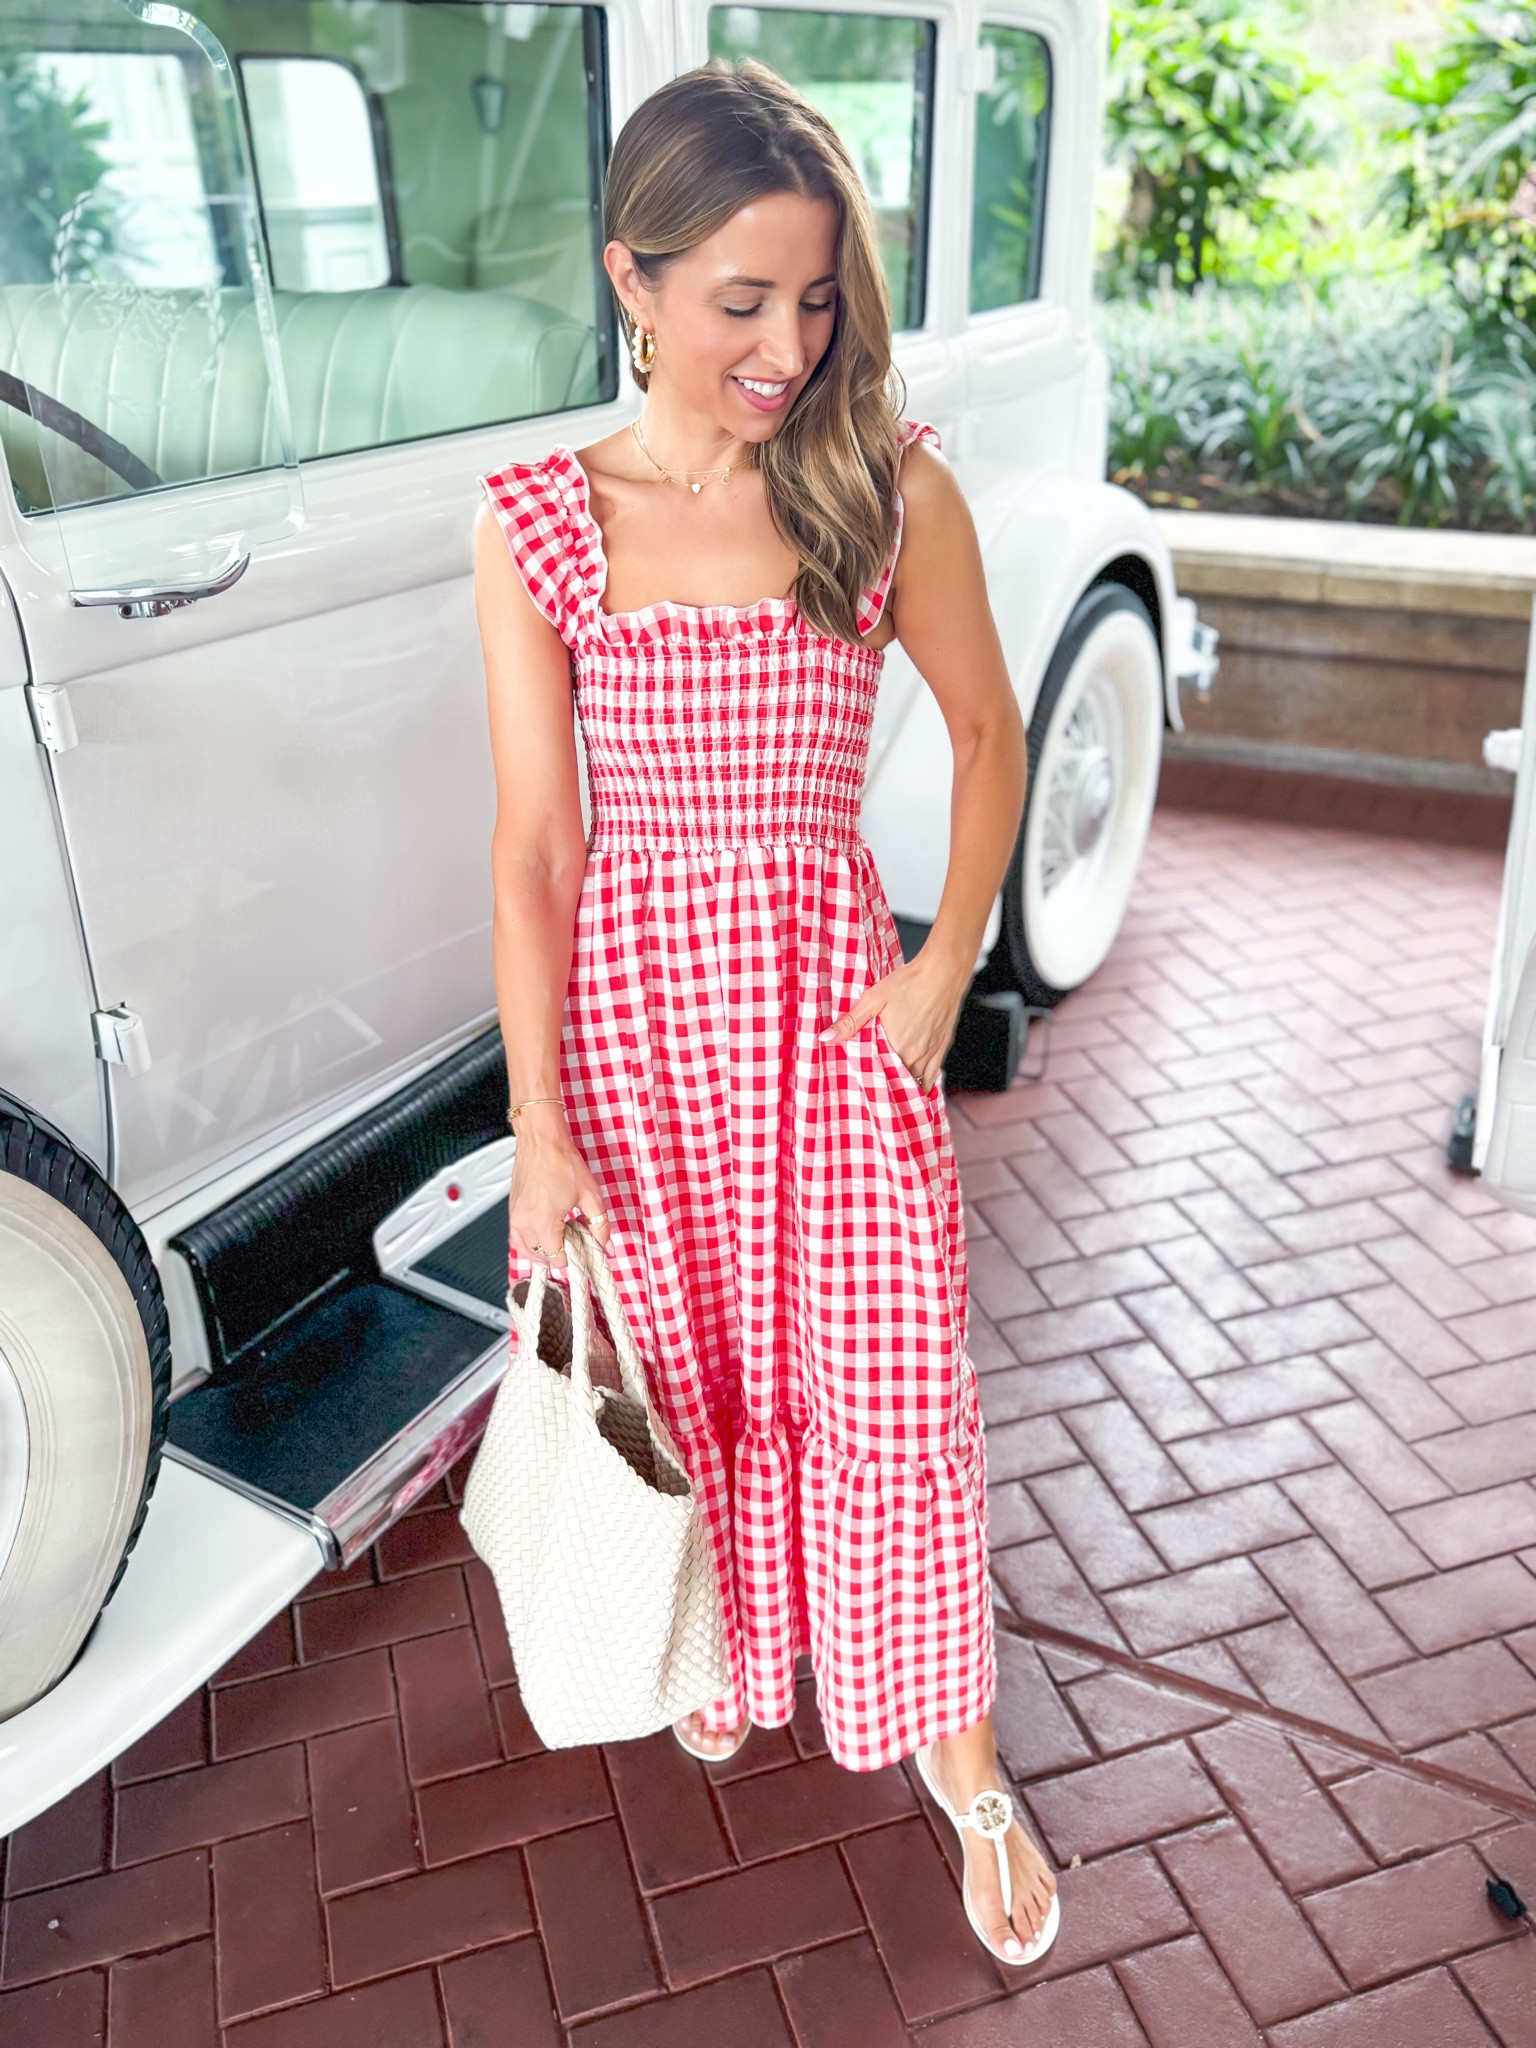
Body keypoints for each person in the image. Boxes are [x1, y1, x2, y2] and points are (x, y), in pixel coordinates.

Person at [472, 59, 1056, 1967]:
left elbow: (988, 735)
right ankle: (737, 1635)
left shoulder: (885, 481)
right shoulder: (542, 524)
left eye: (817, 299)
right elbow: (540, 851)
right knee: (706, 1383)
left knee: (889, 1392)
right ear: (633, 283)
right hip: (642, 1041)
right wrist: (541, 1127)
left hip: (829, 1021)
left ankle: (959, 1757)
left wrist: (948, 960)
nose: (791, 345)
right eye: (742, 301)